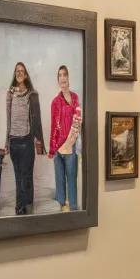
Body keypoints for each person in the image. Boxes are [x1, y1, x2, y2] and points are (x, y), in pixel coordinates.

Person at [5, 61, 44, 215]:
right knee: (18, 176)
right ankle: (20, 207)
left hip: (27, 141)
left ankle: (26, 206)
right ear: (15, 75)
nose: (19, 73)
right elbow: (7, 118)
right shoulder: (10, 94)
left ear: (26, 75)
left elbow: (37, 119)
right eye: (17, 71)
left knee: (26, 176)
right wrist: (6, 142)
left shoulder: (32, 95)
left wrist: (38, 141)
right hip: (14, 141)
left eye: (22, 71)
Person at [48, 64, 82, 212]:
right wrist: (52, 148)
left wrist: (71, 142)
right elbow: (53, 126)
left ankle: (73, 208)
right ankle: (62, 209)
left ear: (68, 77)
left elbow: (78, 120)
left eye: (64, 75)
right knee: (60, 181)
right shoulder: (55, 102)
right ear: (58, 80)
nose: (62, 78)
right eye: (60, 75)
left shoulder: (75, 98)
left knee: (71, 179)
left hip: (71, 145)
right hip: (58, 147)